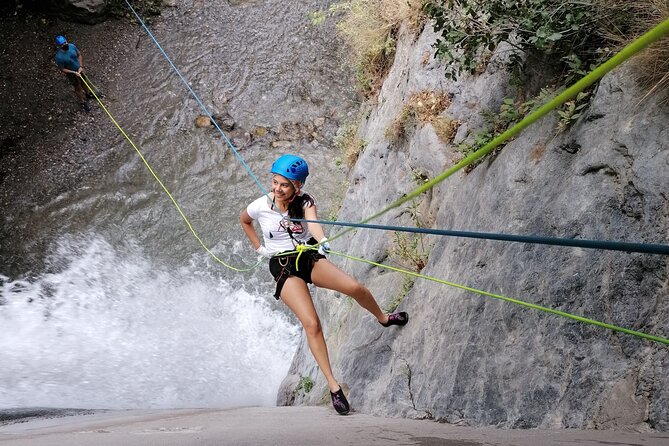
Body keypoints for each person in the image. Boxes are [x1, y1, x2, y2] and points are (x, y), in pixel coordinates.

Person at [240, 154, 409, 415]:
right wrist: (259, 247)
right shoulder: (261, 205)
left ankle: (384, 318)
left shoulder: (305, 202)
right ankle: (333, 387)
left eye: (284, 184)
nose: (277, 188)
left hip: (308, 256)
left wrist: (321, 240)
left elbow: (314, 224)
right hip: (284, 266)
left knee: (355, 288)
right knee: (312, 323)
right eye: (275, 182)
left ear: (298, 186)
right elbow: (244, 220)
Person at [54, 35, 91, 112]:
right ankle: (82, 102)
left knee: (84, 82)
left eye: (65, 42)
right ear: (59, 46)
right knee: (77, 87)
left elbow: (79, 55)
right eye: (62, 44)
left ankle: (88, 94)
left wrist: (81, 66)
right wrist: (74, 72)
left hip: (79, 69)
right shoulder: (59, 57)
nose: (64, 45)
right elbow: (62, 69)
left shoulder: (72, 46)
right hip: (72, 74)